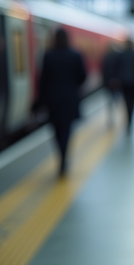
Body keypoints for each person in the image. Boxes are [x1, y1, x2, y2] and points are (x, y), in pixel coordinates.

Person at [35, 28, 87, 177]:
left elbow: (43, 81)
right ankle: (64, 159)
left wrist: (40, 102)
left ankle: (61, 156)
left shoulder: (48, 56)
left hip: (53, 101)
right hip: (70, 100)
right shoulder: (76, 55)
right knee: (67, 130)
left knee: (56, 131)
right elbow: (83, 76)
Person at [114, 39, 134, 131]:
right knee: (133, 100)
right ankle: (131, 118)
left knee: (126, 100)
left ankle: (128, 117)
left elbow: (116, 67)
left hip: (123, 82)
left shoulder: (120, 55)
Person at [101, 44, 120, 128]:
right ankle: (115, 114)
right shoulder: (117, 58)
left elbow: (103, 70)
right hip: (115, 83)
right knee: (115, 98)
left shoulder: (105, 57)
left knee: (109, 101)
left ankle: (110, 117)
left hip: (108, 83)